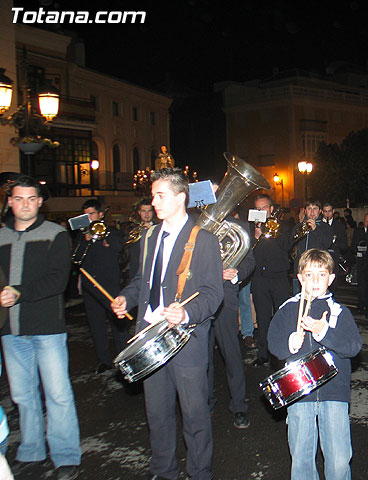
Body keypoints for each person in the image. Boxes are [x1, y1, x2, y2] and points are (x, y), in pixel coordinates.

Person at [111, 168, 224, 480]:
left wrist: (186, 313)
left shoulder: (203, 240)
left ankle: (201, 472)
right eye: (152, 195)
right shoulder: (149, 237)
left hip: (186, 341)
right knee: (157, 415)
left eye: (159, 195)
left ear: (180, 198)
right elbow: (141, 281)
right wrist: (125, 298)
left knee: (195, 416)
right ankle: (164, 472)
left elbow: (214, 294)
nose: (153, 201)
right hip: (149, 337)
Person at [0, 175, 81, 480]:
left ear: (40, 201)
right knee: (22, 395)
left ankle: (66, 455)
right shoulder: (0, 236)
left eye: (32, 199)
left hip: (47, 327)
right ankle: (31, 451)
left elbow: (58, 280)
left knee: (57, 394)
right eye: (19, 198)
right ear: (10, 201)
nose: (25, 204)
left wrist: (18, 291)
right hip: (10, 330)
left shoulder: (55, 234)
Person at [267, 248, 362, 480]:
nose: (315, 281)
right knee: (301, 459)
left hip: (334, 393)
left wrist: (324, 332)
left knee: (339, 460)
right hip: (299, 393)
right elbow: (273, 344)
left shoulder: (340, 312)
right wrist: (290, 343)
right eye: (309, 275)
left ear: (331, 279)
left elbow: (353, 347)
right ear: (300, 278)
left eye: (321, 275)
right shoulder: (288, 309)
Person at [207, 213, 254, 428]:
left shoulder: (239, 227)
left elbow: (249, 262)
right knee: (201, 357)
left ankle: (239, 406)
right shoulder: (195, 225)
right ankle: (206, 403)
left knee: (232, 354)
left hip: (225, 298)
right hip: (199, 298)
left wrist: (236, 274)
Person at [74, 199, 128, 374]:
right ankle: (104, 360)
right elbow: (76, 258)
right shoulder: (82, 235)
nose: (89, 218)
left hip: (110, 285)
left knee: (118, 325)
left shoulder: (112, 231)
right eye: (86, 214)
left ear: (100, 214)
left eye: (91, 213)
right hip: (91, 287)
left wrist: (105, 238)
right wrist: (85, 240)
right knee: (96, 325)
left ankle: (123, 359)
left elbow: (120, 247)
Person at [251, 194, 292, 367]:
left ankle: (282, 352)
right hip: (259, 278)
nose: (261, 211)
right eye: (258, 208)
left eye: (264, 208)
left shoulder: (283, 226)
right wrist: (255, 237)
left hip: (279, 277)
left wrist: (271, 234)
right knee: (262, 317)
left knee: (281, 315)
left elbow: (287, 246)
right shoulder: (250, 228)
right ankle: (263, 353)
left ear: (271, 209)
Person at [291, 200, 332, 295]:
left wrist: (315, 230)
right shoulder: (298, 227)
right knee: (298, 302)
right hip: (299, 271)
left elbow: (327, 244)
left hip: (317, 271)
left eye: (315, 209)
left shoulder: (325, 228)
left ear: (320, 211)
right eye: (309, 209)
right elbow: (291, 244)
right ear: (305, 211)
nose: (312, 212)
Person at [351, 213, 368, 318]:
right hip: (361, 262)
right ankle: (362, 305)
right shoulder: (358, 232)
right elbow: (353, 245)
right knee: (361, 285)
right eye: (366, 220)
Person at [126, 198, 155, 283]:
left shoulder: (159, 228)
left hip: (153, 270)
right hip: (136, 271)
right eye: (143, 211)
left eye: (149, 211)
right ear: (139, 212)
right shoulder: (132, 230)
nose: (146, 214)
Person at [321, 202, 348, 290]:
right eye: (325, 211)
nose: (327, 214)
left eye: (329, 211)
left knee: (332, 287)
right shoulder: (318, 225)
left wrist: (334, 242)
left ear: (333, 211)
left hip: (333, 260)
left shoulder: (339, 226)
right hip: (320, 260)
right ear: (322, 212)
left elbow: (345, 245)